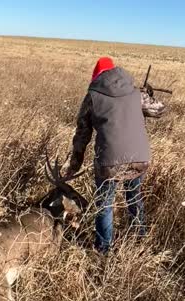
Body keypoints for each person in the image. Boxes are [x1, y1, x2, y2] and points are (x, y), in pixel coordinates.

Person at [65, 57, 166, 253]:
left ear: (97, 75)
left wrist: (74, 166)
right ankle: (139, 241)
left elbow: (81, 135)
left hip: (108, 162)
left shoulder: (92, 96)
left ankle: (103, 250)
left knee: (104, 205)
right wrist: (148, 94)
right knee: (134, 197)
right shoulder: (135, 93)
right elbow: (159, 110)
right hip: (139, 158)